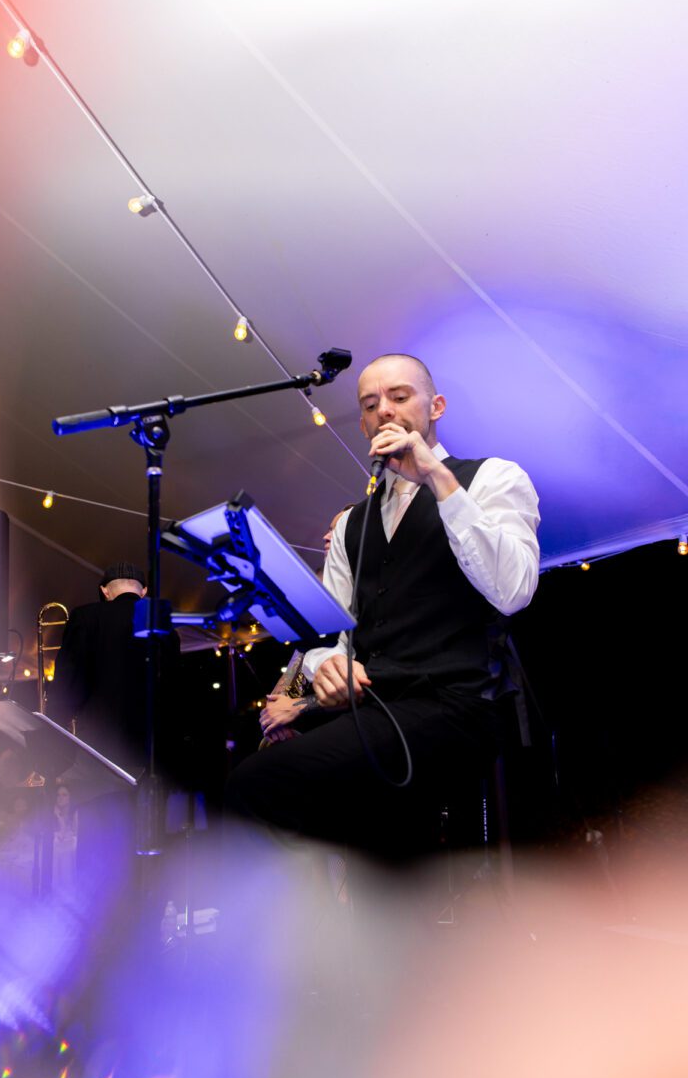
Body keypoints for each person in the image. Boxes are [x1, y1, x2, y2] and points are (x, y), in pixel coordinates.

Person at [226, 353, 540, 859]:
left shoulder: (492, 478)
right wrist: (325, 665)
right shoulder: (353, 521)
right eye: (370, 405)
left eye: (399, 396)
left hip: (453, 704)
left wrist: (436, 477)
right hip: (375, 707)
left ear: (435, 406)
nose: (385, 412)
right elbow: (333, 634)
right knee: (378, 852)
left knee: (258, 785)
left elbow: (513, 589)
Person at [48, 562, 173, 775]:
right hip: (151, 747)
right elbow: (172, 686)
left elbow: (68, 680)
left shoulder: (85, 616)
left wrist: (54, 725)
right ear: (143, 592)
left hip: (98, 743)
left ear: (105, 591)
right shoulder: (161, 623)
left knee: (100, 806)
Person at [259, 505, 354, 746]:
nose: (325, 536)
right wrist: (275, 713)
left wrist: (297, 708)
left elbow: (363, 688)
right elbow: (298, 663)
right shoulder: (320, 595)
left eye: (336, 529)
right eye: (328, 529)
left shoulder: (368, 596)